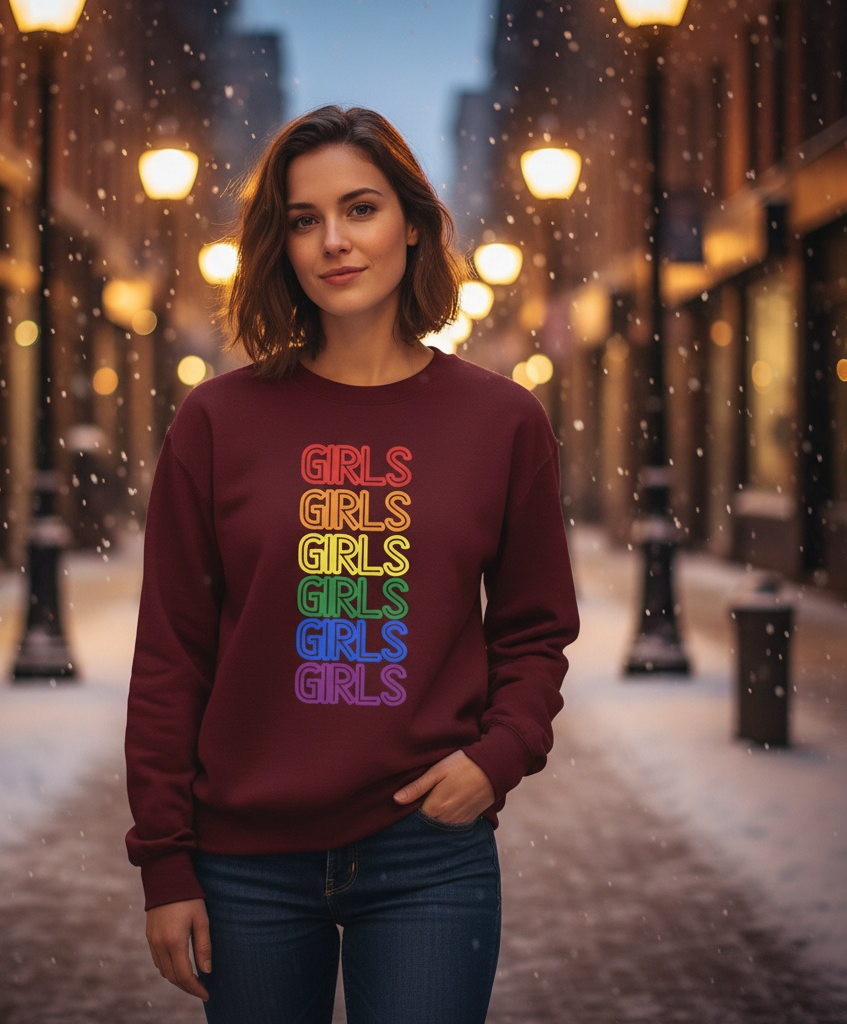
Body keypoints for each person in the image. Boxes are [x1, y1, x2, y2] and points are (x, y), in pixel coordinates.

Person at [124, 105, 579, 1024]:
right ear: (280, 245)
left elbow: (534, 628)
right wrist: (166, 861)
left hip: (427, 854)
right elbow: (173, 654)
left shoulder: (500, 423)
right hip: (245, 862)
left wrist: (498, 756)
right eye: (303, 218)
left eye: (360, 208)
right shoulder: (217, 422)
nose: (333, 240)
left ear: (412, 224)